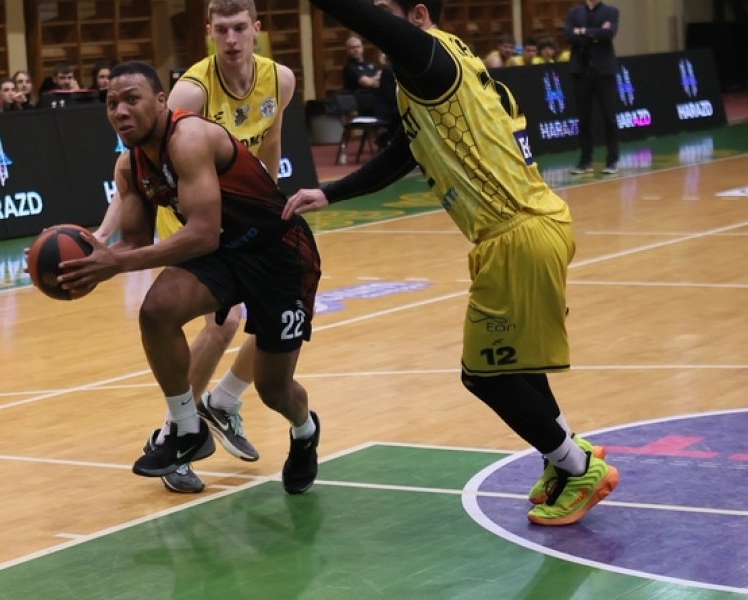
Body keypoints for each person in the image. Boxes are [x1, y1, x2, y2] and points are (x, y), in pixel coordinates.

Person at [284, 0, 618, 526]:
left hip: (517, 233)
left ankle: (577, 468)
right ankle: (564, 455)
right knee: (516, 364)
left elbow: (368, 22)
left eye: (389, 13)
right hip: (529, 227)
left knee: (484, 376)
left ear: (418, 16)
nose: (380, 26)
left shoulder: (431, 57)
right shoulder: (430, 79)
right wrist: (331, 193)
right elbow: (402, 154)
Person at [57, 61, 322, 495]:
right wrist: (82, 263)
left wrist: (116, 265)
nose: (120, 111)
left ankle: (305, 431)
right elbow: (134, 241)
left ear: (161, 101)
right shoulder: (130, 166)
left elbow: (202, 233)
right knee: (156, 311)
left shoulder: (189, 138)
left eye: (132, 99)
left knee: (274, 390)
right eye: (112, 103)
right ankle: (186, 428)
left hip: (279, 254)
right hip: (225, 252)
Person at [92, 0, 296, 494]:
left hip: (243, 212)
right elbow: (138, 165)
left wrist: (273, 208)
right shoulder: (190, 91)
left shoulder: (280, 80)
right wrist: (102, 236)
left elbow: (270, 145)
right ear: (209, 33)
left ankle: (221, 403)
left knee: (285, 311)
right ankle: (177, 432)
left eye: (239, 28)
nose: (231, 39)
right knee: (222, 322)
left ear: (256, 28)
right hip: (190, 212)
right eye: (221, 30)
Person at [565, 0, 620, 175]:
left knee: (609, 117)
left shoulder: (610, 11)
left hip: (603, 71)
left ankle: (612, 160)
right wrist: (595, 35)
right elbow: (568, 35)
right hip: (581, 70)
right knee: (583, 118)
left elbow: (608, 33)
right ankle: (585, 161)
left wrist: (582, 32)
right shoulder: (575, 12)